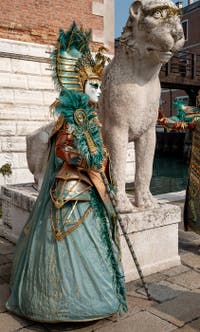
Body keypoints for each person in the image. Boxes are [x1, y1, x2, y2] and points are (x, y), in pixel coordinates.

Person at [6, 23, 127, 322]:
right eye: (94, 85)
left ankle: (92, 298)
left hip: (89, 189)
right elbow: (62, 150)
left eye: (100, 84)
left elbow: (99, 151)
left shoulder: (90, 118)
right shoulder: (71, 117)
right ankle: (58, 304)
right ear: (80, 86)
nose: (100, 89)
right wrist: (87, 160)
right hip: (71, 191)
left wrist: (102, 165)